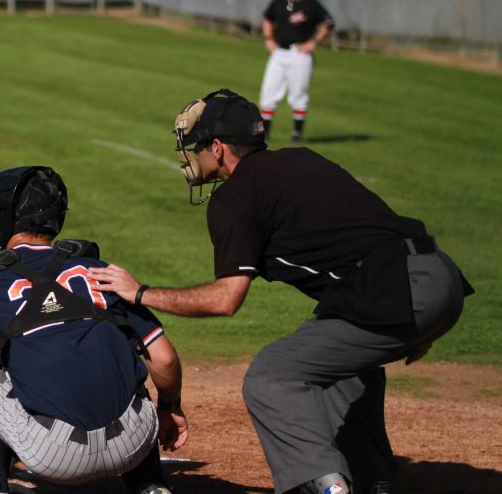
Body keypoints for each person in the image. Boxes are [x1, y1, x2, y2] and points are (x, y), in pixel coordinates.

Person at [90, 89, 473, 494]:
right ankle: (372, 479)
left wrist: (141, 293)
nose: (190, 155)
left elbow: (226, 299)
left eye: (197, 146)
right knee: (339, 369)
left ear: (218, 149)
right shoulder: (302, 159)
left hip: (395, 290)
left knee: (271, 377)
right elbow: (368, 234)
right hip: (438, 277)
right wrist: (420, 317)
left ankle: (324, 486)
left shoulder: (234, 198)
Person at [0, 166, 188, 494]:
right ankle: (151, 487)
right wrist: (170, 407)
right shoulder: (102, 272)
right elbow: (164, 358)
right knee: (125, 358)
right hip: (135, 443)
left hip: (56, 457)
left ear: (8, 218)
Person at [259, 0, 332, 142]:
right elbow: (267, 18)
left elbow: (328, 23)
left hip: (299, 54)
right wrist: (268, 38)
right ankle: (264, 133)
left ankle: (297, 134)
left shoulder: (310, 4)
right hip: (279, 53)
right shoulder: (278, 1)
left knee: (299, 95)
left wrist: (314, 43)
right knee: (268, 93)